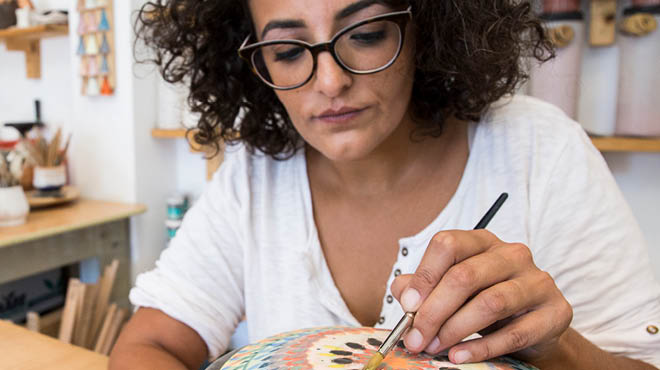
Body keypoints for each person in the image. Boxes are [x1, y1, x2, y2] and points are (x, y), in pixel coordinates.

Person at [110, 0, 660, 369]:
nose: (330, 81)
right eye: (286, 51)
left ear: (429, 24)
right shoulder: (254, 178)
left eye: (367, 35)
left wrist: (556, 349)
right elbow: (150, 343)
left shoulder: (539, 150)